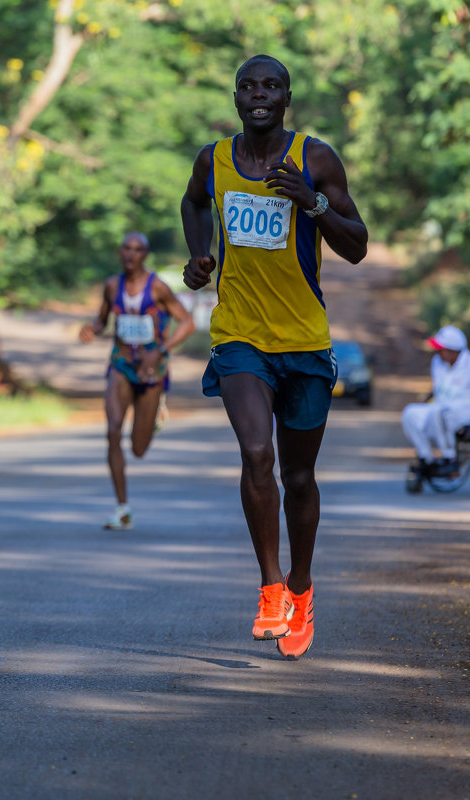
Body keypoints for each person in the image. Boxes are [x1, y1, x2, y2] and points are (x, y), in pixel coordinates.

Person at [179, 54, 368, 659]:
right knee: (256, 452)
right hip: (240, 334)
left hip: (306, 341)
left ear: (287, 97)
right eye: (248, 85)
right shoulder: (214, 159)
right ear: (236, 97)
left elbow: (358, 246)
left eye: (271, 85)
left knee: (300, 476)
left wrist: (310, 202)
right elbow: (193, 203)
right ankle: (270, 588)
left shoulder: (314, 159)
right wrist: (200, 255)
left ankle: (303, 589)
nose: (258, 93)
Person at [79, 232, 195, 530]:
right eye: (126, 249)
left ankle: (154, 413)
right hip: (120, 365)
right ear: (120, 253)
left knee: (139, 448)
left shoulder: (157, 288)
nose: (131, 254)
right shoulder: (111, 286)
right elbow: (102, 321)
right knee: (113, 431)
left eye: (138, 249)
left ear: (145, 255)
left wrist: (161, 351)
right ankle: (122, 508)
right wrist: (91, 330)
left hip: (151, 370)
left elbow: (187, 322)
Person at [401, 325, 470, 476]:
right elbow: (438, 387)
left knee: (437, 411)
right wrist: (425, 400)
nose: (438, 352)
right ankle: (425, 456)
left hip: (462, 414)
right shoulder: (438, 363)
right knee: (410, 413)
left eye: (441, 349)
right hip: (439, 409)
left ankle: (450, 458)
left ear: (453, 351)